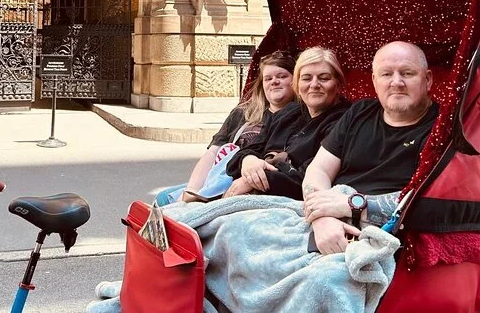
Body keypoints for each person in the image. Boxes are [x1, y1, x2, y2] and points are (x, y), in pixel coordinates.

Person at [302, 41, 438, 254]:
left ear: (428, 79)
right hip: (326, 219)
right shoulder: (359, 112)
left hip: (384, 235)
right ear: (375, 81)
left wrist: (354, 205)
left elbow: (435, 202)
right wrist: (322, 217)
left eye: (407, 73)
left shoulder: (443, 128)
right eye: (386, 74)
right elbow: (318, 170)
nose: (396, 82)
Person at [155, 51, 297, 205]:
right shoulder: (242, 113)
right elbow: (213, 153)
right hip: (217, 181)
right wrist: (191, 192)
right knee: (163, 198)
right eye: (268, 78)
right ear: (261, 85)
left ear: (295, 81)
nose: (274, 82)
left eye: (282, 76)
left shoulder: (300, 118)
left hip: (252, 188)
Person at [224, 46, 351, 200]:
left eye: (324, 78)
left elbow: (310, 177)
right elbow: (248, 150)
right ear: (296, 84)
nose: (314, 84)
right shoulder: (288, 113)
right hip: (249, 194)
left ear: (338, 84)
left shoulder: (345, 121)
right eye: (306, 78)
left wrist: (253, 180)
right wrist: (248, 161)